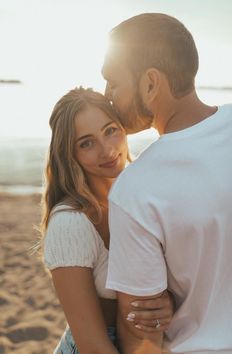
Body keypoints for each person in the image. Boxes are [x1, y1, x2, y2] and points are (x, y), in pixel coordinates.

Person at [102, 13, 232, 354]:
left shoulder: (135, 188)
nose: (107, 96)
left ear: (150, 83)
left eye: (113, 82)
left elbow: (141, 335)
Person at [40, 87, 174, 354]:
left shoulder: (143, 198)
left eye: (110, 130)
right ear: (70, 154)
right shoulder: (71, 223)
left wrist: (166, 306)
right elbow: (92, 345)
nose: (107, 150)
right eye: (86, 143)